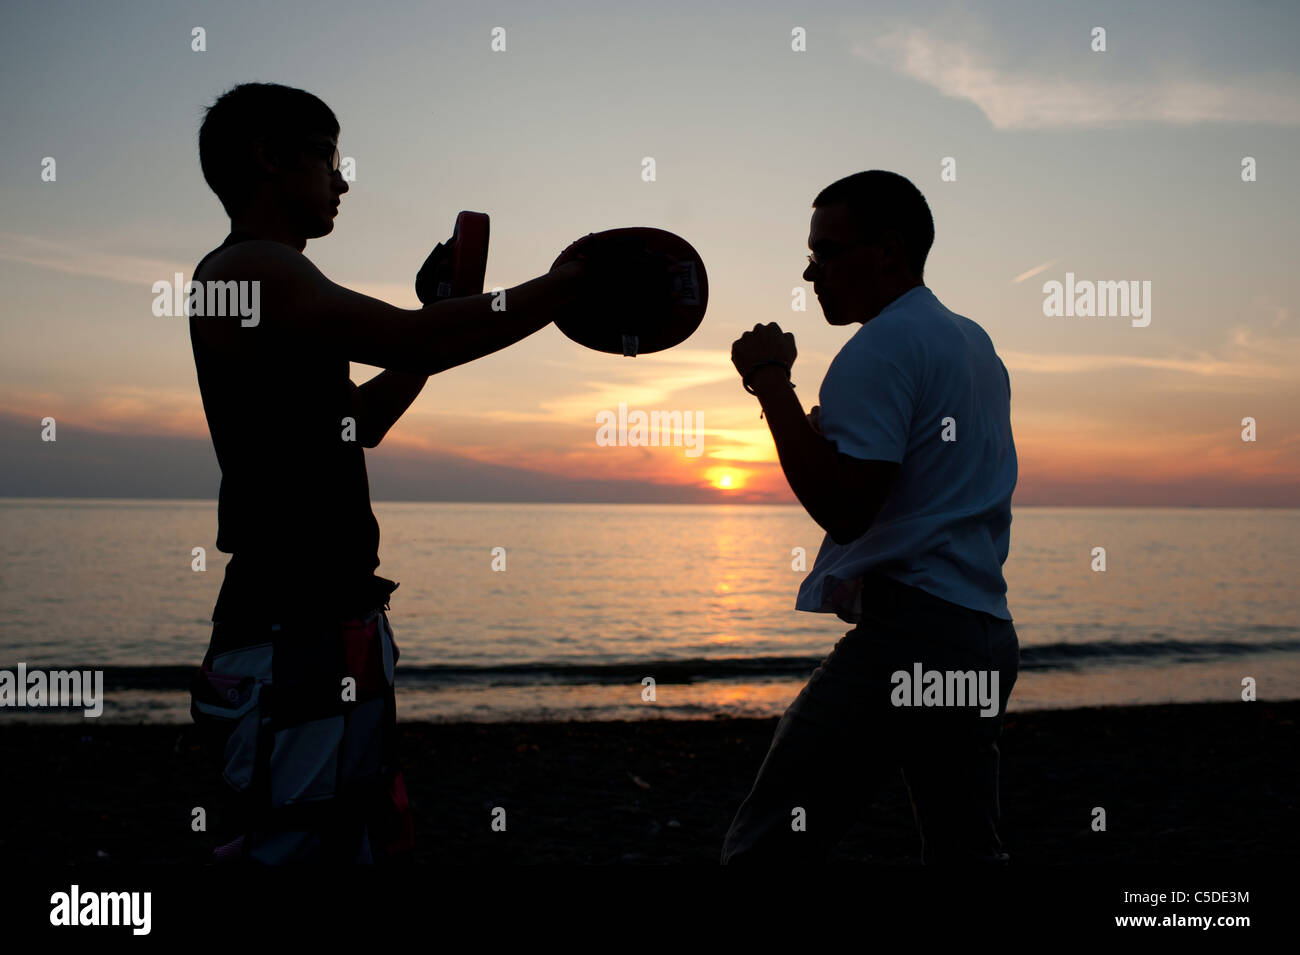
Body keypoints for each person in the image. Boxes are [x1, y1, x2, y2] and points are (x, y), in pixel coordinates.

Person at [184, 82, 640, 863]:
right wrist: (562, 288)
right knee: (291, 845)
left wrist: (445, 314)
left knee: (346, 834)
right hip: (289, 623)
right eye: (330, 157)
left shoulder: (280, 282)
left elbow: (362, 422)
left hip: (326, 616)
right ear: (269, 157)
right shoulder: (256, 270)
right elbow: (415, 339)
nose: (343, 180)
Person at [722, 170, 1020, 863]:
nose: (809, 269)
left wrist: (770, 379)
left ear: (886, 250)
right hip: (982, 633)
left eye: (825, 251)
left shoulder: (878, 348)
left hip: (908, 639)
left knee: (765, 847)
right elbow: (928, 475)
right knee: (965, 851)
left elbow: (845, 507)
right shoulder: (971, 342)